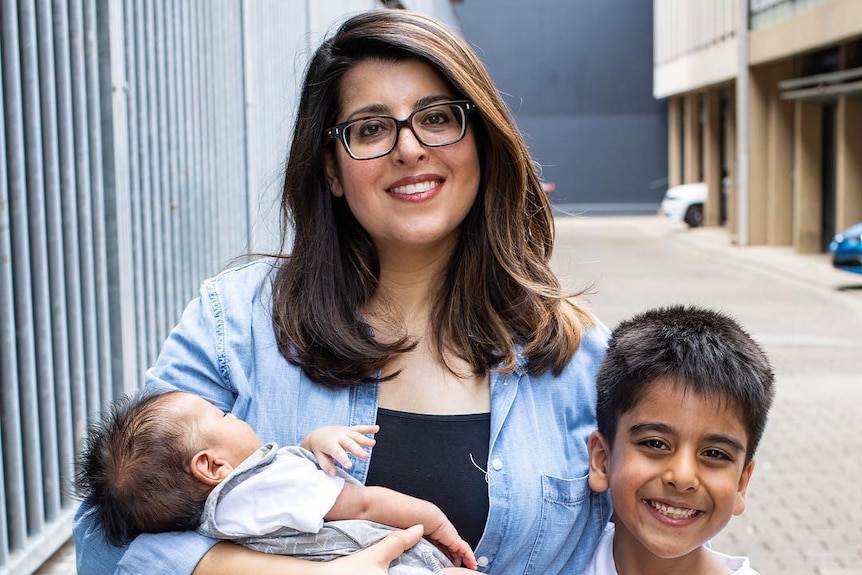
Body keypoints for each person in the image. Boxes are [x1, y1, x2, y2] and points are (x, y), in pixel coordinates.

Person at [73, 8, 611, 575]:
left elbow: (645, 539)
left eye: (436, 117)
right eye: (371, 128)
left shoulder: (576, 354)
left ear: (479, 140)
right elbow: (102, 539)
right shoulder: (237, 322)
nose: (409, 149)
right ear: (331, 168)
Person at [76, 389, 476, 573]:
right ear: (211, 466)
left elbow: (293, 473)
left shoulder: (223, 513)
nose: (233, 415)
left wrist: (312, 443)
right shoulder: (269, 485)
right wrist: (434, 520)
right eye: (222, 416)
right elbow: (363, 503)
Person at [584, 305, 775, 575]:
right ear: (602, 460)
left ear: (741, 484)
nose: (683, 477)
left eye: (714, 454)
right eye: (656, 444)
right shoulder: (555, 564)